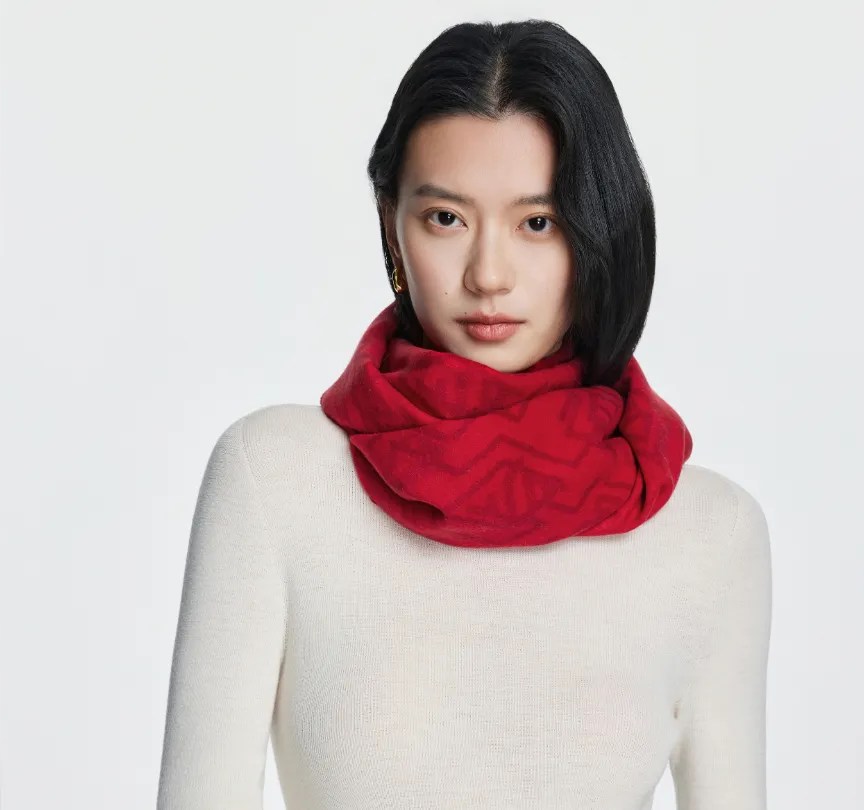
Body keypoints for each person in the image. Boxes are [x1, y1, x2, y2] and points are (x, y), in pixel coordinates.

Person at [156, 18, 772, 810]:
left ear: (601, 231)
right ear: (392, 223)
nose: (488, 275)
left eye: (538, 223)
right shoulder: (272, 479)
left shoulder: (712, 533)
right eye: (446, 218)